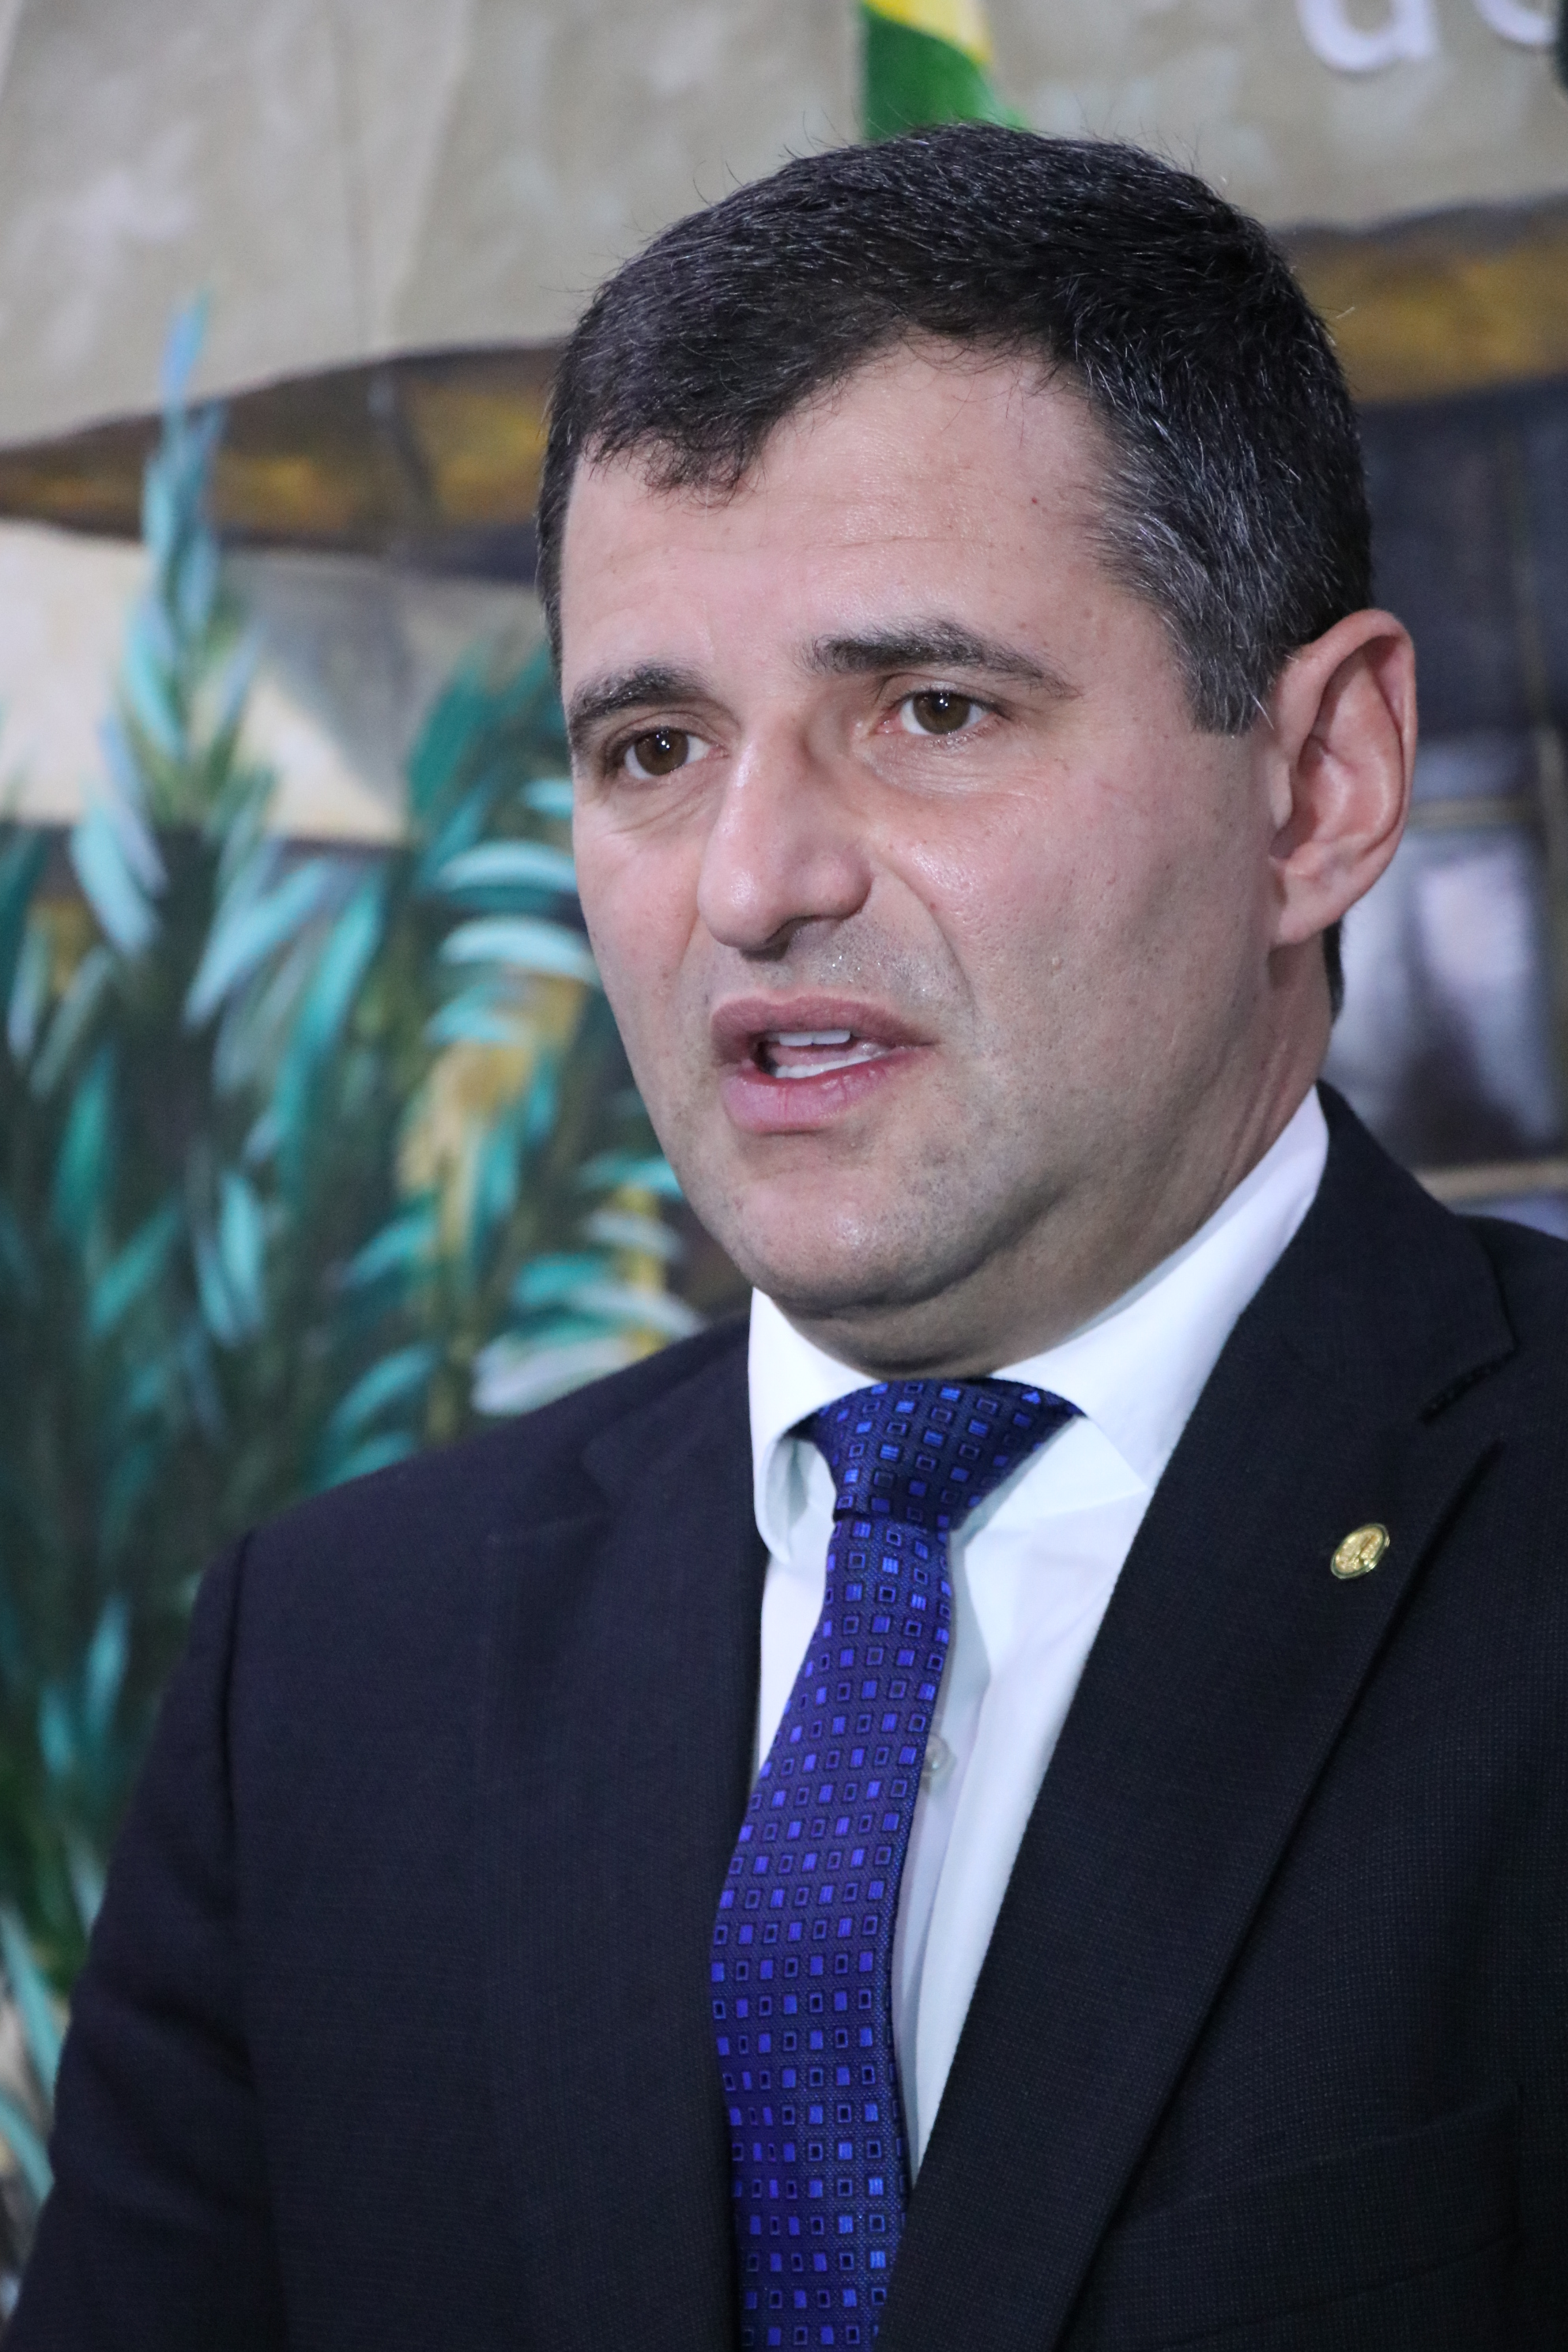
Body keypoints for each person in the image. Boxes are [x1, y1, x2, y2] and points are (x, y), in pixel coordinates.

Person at [13, 126, 1567, 2352]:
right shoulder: (330, 1681)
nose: (751, 884)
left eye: (931, 712)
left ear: (1320, 781)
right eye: (653, 747)